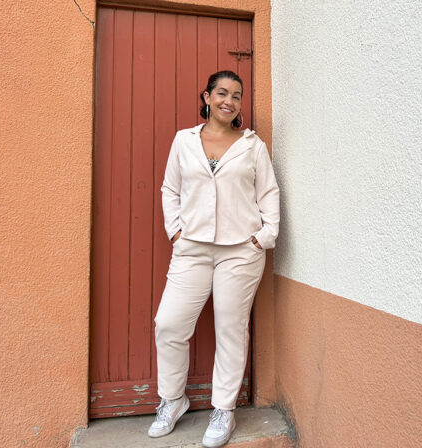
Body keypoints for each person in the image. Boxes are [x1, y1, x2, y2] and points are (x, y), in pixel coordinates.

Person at [148, 70, 280, 448]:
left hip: (240, 250)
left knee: (230, 329)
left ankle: (223, 409)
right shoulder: (184, 141)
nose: (229, 101)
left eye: (236, 95)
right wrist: (175, 231)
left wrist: (264, 237)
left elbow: (268, 192)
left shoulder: (252, 145)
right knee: (168, 324)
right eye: (222, 93)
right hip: (191, 248)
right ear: (206, 97)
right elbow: (170, 188)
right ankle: (173, 399)